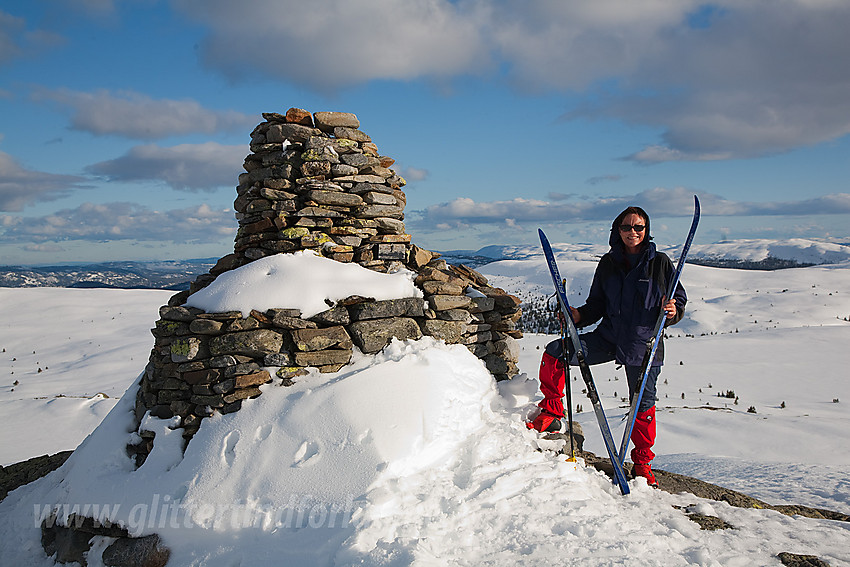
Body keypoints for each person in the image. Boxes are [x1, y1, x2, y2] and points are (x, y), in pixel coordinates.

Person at [527, 206, 687, 487]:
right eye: (627, 227)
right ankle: (552, 412)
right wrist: (578, 316)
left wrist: (674, 311)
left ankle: (642, 465)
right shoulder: (608, 263)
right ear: (618, 230)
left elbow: (679, 300)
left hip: (642, 344)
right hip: (608, 337)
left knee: (643, 405)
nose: (633, 232)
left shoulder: (659, 263)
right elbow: (597, 305)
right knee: (555, 352)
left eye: (639, 227)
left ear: (646, 230)